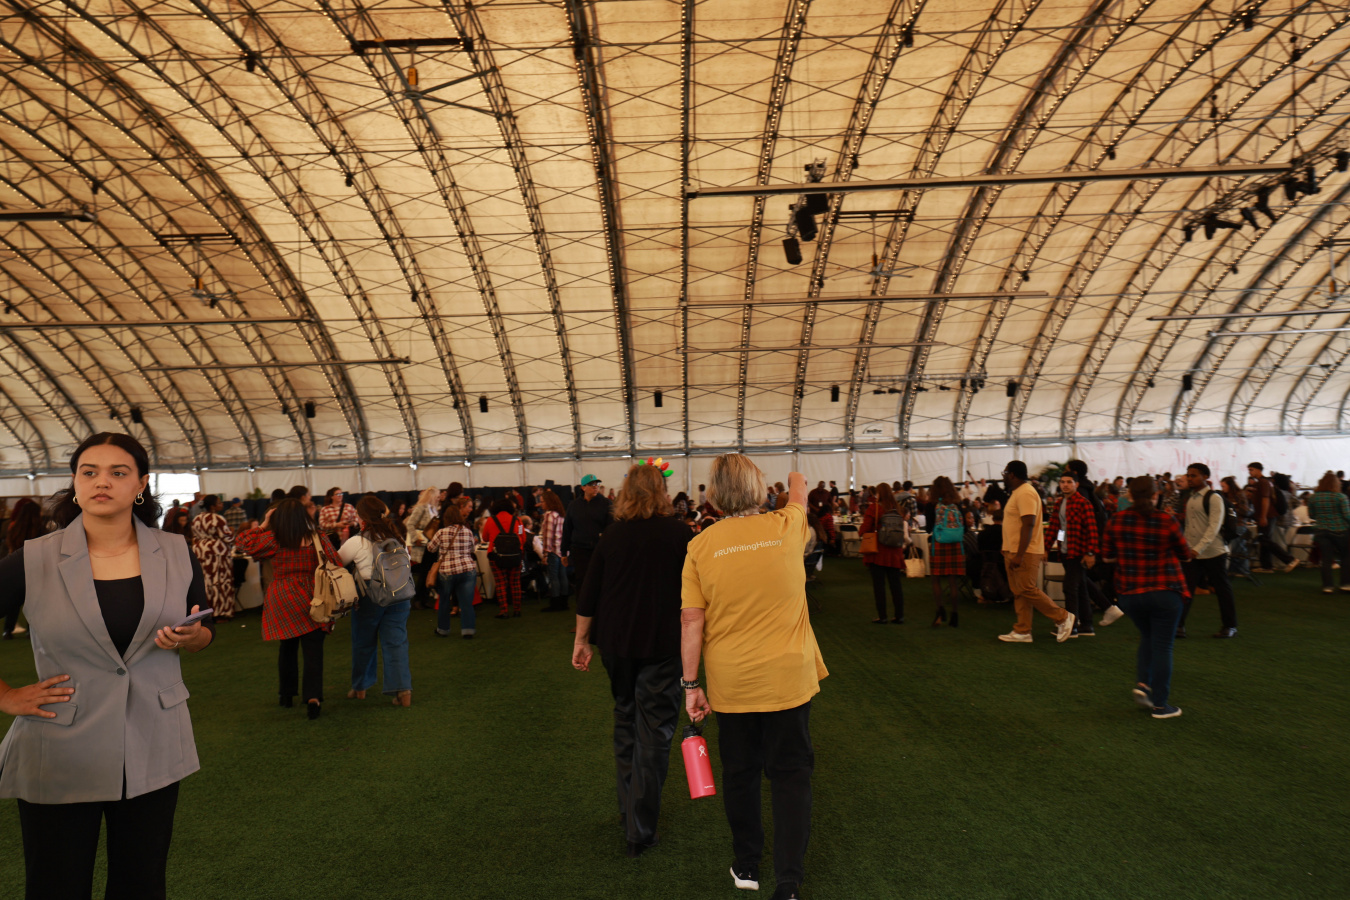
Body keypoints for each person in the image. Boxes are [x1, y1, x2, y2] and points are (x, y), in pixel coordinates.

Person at [0, 432, 214, 899]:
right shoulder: (32, 559)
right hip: (59, 747)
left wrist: (194, 637)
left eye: (118, 472)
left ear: (140, 484)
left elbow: (203, 628)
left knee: (142, 883)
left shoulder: (176, 552)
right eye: (89, 472)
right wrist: (6, 696)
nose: (102, 482)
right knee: (56, 885)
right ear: (75, 482)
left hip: (153, 741)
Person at [681, 458, 826, 900]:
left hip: (733, 679)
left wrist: (691, 685)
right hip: (788, 676)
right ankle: (789, 881)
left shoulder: (700, 545)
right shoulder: (788, 523)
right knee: (790, 774)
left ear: (714, 495)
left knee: (740, 772)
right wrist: (790, 478)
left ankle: (747, 864)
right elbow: (799, 484)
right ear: (759, 489)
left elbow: (691, 620)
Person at [571, 464, 693, 857]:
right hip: (663, 644)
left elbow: (589, 593)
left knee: (626, 718)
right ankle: (640, 828)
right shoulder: (681, 535)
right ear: (662, 492)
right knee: (655, 732)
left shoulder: (613, 535)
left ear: (625, 493)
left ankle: (630, 813)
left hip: (617, 643)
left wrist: (581, 640)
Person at [236, 498, 343, 719]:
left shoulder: (274, 539)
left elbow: (243, 542)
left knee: (287, 647)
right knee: (313, 649)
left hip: (282, 596)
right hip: (314, 596)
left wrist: (264, 524)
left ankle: (286, 694)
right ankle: (313, 698)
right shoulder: (318, 537)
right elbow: (336, 563)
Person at [1102, 477, 1191, 719]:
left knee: (1148, 637)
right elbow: (1185, 554)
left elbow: (1107, 557)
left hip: (1130, 593)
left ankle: (1143, 684)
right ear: (1156, 495)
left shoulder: (1116, 520)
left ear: (1129, 495)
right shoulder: (1167, 520)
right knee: (1163, 645)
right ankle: (1161, 706)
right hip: (1165, 590)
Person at [339, 495, 413, 707]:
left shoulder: (357, 541)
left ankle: (360, 687)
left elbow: (336, 562)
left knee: (363, 641)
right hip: (400, 594)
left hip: (370, 595)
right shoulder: (397, 538)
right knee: (396, 642)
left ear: (362, 518)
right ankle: (403, 692)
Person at [997, 460, 1075, 643]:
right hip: (1014, 550)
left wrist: (1019, 554)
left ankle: (1063, 617)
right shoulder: (1018, 492)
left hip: (1025, 551)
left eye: (1005, 473)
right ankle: (1023, 630)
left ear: (1012, 475)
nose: (1004, 477)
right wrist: (1007, 547)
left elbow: (1029, 524)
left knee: (1026, 588)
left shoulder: (1026, 492)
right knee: (1019, 591)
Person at [1177, 464, 1238, 638]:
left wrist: (1197, 549)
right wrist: (1187, 547)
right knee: (1186, 590)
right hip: (1193, 552)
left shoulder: (1214, 498)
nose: (1190, 479)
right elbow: (1190, 527)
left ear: (1205, 477)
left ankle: (1230, 626)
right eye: (1188, 475)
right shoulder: (1190, 498)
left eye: (1194, 475)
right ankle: (1179, 626)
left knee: (1222, 590)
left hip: (1214, 552)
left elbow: (1214, 527)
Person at [1046, 472, 1100, 637]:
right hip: (1065, 551)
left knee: (1070, 588)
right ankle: (1086, 625)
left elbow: (1092, 530)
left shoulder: (1083, 503)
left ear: (1076, 484)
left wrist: (1090, 552)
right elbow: (1056, 527)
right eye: (1062, 482)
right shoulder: (1059, 503)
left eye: (1069, 482)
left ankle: (1071, 626)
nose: (1065, 485)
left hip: (1078, 553)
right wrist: (1046, 547)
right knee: (1080, 588)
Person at [561, 474, 613, 612]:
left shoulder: (606, 504)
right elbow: (567, 529)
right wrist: (563, 552)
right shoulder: (574, 505)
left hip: (600, 550)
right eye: (592, 485)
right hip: (580, 550)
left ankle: (602, 611)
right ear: (583, 487)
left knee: (601, 580)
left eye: (597, 484)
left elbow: (611, 528)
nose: (595, 487)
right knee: (582, 581)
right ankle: (583, 612)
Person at [428, 503, 478, 638]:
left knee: (444, 601)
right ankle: (468, 630)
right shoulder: (468, 532)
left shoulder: (441, 532)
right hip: (467, 569)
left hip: (447, 570)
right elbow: (472, 549)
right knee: (466, 602)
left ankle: (443, 630)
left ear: (446, 518)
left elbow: (431, 548)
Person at [860, 482, 906, 624]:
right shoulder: (897, 509)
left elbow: (864, 529)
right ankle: (899, 615)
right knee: (896, 585)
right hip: (895, 551)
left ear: (878, 494)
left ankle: (883, 616)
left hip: (878, 551)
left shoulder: (874, 508)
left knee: (879, 586)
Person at [190, 494, 237, 622]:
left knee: (205, 583)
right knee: (220, 582)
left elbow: (194, 535)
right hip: (216, 553)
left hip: (200, 552)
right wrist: (232, 533)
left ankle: (206, 613)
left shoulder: (197, 518)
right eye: (219, 503)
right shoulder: (218, 519)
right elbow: (227, 537)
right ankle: (219, 612)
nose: (222, 504)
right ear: (213, 506)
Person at [928, 476, 966, 627]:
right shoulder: (957, 504)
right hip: (956, 545)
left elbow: (929, 527)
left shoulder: (932, 505)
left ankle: (940, 612)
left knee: (935, 580)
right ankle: (954, 615)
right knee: (953, 581)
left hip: (939, 543)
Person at [482, 495, 528, 618]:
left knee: (500, 583)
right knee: (515, 583)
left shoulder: (490, 520)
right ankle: (517, 609)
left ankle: (504, 611)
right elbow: (522, 538)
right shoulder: (517, 520)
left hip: (496, 556)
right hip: (515, 555)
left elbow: (485, 538)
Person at [2, 499, 43, 639]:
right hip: (35, 568)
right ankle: (31, 631)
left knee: (14, 602)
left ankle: (8, 630)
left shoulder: (13, 527)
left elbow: (9, 547)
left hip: (15, 568)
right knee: (34, 602)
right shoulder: (40, 529)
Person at [1248, 463, 1296, 573]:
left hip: (1267, 515)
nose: (1249, 472)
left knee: (1264, 539)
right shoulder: (1264, 482)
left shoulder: (1263, 482)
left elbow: (1266, 499)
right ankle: (1266, 566)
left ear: (1258, 470)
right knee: (1264, 539)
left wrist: (1263, 516)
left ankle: (1290, 559)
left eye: (1251, 470)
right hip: (1267, 515)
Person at [1307, 471, 1350, 594]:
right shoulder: (1340, 497)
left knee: (1326, 559)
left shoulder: (1313, 497)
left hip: (1321, 531)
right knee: (1346, 557)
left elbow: (1312, 515)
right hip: (1340, 531)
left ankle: (1327, 586)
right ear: (1336, 483)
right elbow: (1347, 516)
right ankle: (1345, 584)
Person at [403, 487, 440, 609]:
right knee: (424, 573)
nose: (438, 499)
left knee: (428, 572)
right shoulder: (421, 508)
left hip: (431, 544)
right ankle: (418, 599)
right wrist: (415, 539)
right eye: (437, 497)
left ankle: (424, 598)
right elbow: (410, 524)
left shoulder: (434, 509)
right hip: (422, 544)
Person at [539, 489, 569, 611]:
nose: (541, 504)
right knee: (563, 576)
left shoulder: (549, 515)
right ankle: (564, 603)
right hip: (562, 550)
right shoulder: (561, 514)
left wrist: (545, 554)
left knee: (554, 577)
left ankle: (555, 603)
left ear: (548, 502)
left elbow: (548, 536)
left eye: (542, 501)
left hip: (553, 551)